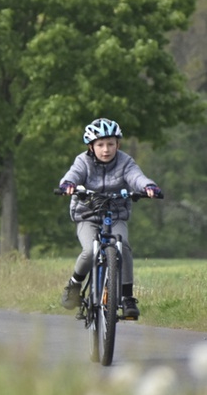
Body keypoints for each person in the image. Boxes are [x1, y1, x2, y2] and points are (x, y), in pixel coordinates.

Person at [58, 118, 162, 319]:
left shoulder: (125, 162)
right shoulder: (83, 161)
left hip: (115, 215)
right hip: (87, 215)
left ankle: (127, 297)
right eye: (100, 145)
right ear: (91, 146)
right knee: (90, 250)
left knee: (122, 246)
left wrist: (148, 187)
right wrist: (68, 185)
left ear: (118, 144)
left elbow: (136, 177)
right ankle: (74, 284)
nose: (106, 149)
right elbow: (73, 174)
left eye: (110, 144)